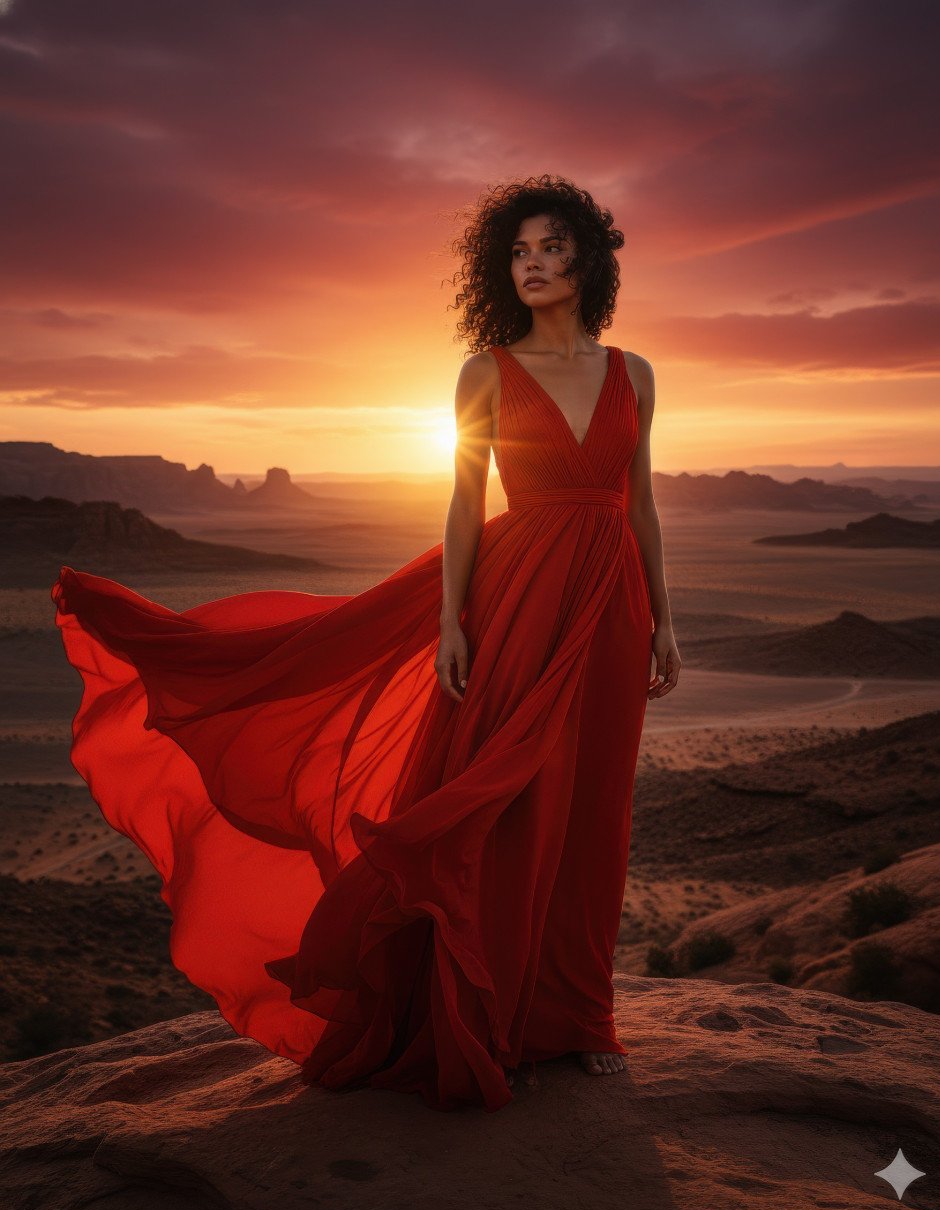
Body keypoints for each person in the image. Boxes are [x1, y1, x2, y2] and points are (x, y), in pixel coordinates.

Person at [51, 173, 681, 1114]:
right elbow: (464, 504)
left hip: (612, 608)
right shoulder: (485, 372)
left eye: (553, 247)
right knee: (502, 808)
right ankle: (488, 1020)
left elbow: (639, 503)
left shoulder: (635, 373)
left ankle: (582, 1017)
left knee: (593, 815)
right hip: (516, 602)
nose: (535, 264)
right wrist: (450, 621)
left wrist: (666, 618)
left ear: (590, 257)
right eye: (519, 251)